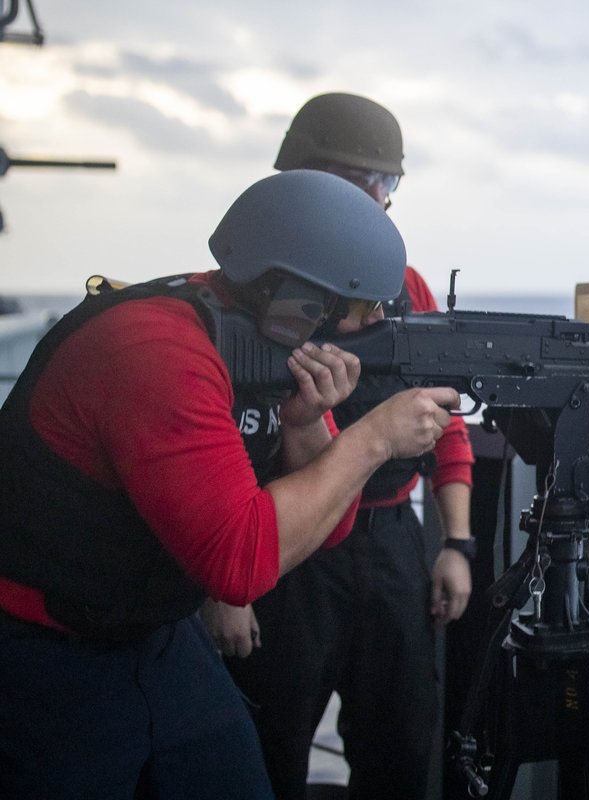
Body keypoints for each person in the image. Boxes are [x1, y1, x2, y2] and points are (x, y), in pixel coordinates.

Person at [0, 168, 460, 798]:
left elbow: (331, 526)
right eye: (359, 308)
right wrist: (372, 439)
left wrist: (305, 431)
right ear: (296, 297)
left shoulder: (266, 344)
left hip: (155, 633)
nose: (367, 325)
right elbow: (239, 565)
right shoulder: (156, 349)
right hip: (44, 651)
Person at [201, 92, 477, 799]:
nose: (381, 200)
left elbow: (444, 418)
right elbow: (217, 442)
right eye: (367, 181)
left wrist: (457, 541)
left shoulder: (405, 288)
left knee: (401, 741)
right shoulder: (256, 293)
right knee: (269, 744)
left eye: (388, 184)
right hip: (285, 544)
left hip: (390, 537)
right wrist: (223, 588)